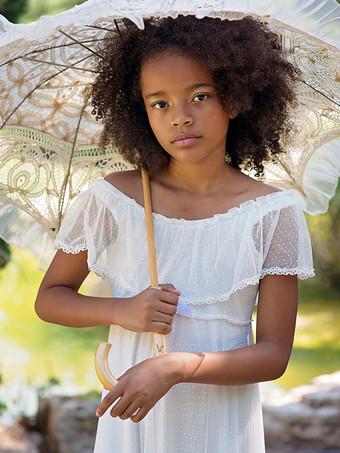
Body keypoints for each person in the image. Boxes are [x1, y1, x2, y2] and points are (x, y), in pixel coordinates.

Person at [34, 14, 315, 453]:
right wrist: (122, 309)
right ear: (140, 111)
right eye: (159, 103)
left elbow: (274, 354)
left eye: (199, 96)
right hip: (135, 424)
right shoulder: (114, 200)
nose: (180, 118)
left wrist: (177, 366)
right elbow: (50, 297)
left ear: (236, 97)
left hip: (219, 424)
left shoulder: (272, 213)